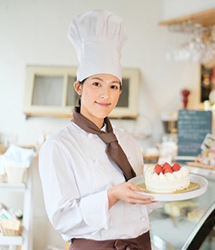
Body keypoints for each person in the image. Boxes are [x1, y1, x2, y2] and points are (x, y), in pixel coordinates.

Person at [39, 10, 159, 250]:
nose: (106, 95)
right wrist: (112, 195)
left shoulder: (126, 140)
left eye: (114, 86)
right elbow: (62, 218)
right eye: (96, 84)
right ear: (79, 88)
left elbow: (139, 201)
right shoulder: (58, 146)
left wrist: (164, 186)